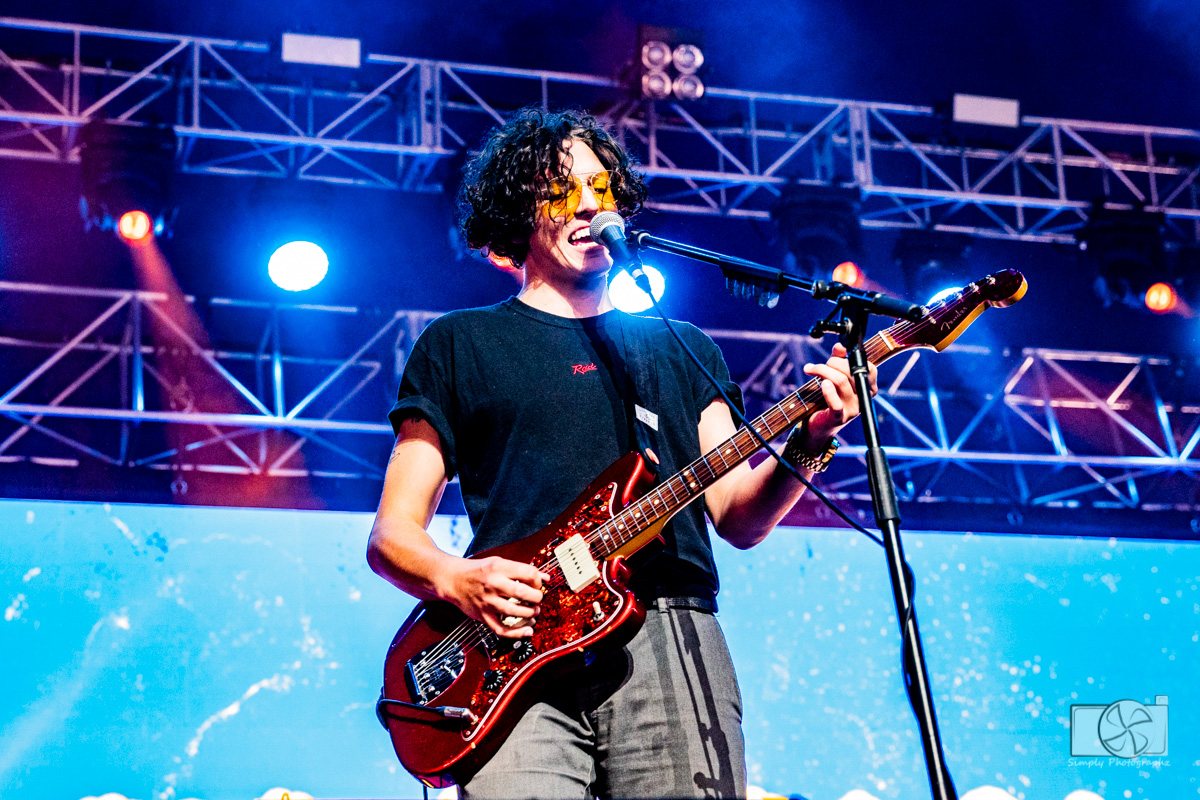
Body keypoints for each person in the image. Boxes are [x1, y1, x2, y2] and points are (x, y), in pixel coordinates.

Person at [367, 107, 875, 799]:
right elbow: (392, 534)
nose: (588, 205)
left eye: (601, 188)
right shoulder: (459, 344)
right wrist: (457, 579)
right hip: (512, 651)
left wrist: (810, 441)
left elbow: (738, 517)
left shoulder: (682, 347)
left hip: (669, 630)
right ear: (517, 212)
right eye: (560, 190)